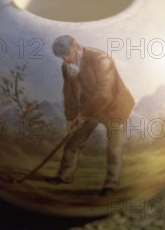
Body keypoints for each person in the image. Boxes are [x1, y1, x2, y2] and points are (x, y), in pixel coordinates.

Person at [46, 35, 135, 196]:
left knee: (115, 147)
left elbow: (104, 94)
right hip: (90, 108)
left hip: (115, 107)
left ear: (76, 46)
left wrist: (83, 116)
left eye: (67, 54)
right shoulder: (67, 66)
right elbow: (70, 93)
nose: (65, 59)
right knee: (73, 142)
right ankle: (64, 176)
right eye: (62, 57)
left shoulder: (101, 60)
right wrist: (71, 118)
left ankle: (110, 184)